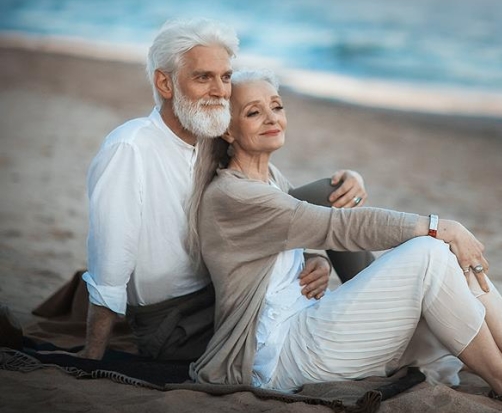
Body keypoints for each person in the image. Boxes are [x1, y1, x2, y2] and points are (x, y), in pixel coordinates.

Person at [186, 70, 502, 413]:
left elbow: (295, 229)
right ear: (227, 131)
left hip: (307, 323)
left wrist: (315, 258)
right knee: (430, 253)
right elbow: (339, 226)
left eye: (276, 107)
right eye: (254, 113)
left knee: (441, 278)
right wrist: (440, 226)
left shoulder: (269, 180)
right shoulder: (233, 196)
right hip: (278, 357)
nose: (272, 118)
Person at [80, 18, 372, 361]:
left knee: (332, 192)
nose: (220, 90)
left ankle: (372, 311)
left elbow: (282, 209)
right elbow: (110, 271)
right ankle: (372, 325)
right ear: (165, 83)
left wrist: (313, 257)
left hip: (230, 289)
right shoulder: (130, 148)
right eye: (203, 77)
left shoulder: (215, 136)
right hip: (179, 323)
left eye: (226, 77)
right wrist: (90, 359)